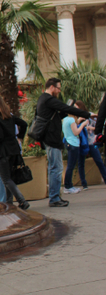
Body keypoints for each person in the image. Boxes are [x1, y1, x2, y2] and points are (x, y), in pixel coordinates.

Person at [35, 78, 91, 208]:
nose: (59, 91)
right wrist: (87, 114)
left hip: (48, 138)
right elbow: (65, 108)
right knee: (56, 168)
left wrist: (64, 112)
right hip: (51, 139)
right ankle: (54, 198)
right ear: (52, 87)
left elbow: (55, 116)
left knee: (54, 168)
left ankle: (55, 196)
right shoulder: (48, 99)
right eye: (58, 88)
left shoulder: (42, 100)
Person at [74, 100, 106, 186]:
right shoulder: (75, 118)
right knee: (81, 163)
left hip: (91, 141)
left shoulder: (89, 115)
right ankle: (84, 183)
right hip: (81, 143)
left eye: (76, 107)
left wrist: (90, 128)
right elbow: (73, 130)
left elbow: (98, 125)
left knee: (99, 161)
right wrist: (79, 121)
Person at [62, 100, 88, 194]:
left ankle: (68, 185)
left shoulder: (65, 119)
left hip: (68, 142)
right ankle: (68, 186)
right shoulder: (72, 120)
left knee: (70, 165)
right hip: (73, 143)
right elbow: (76, 132)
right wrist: (83, 125)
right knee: (71, 165)